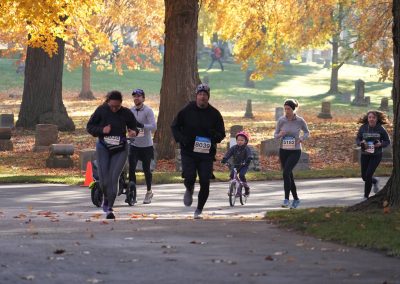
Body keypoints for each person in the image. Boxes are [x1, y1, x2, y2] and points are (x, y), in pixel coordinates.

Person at [171, 83, 225, 219]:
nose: (202, 97)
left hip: (206, 154)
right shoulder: (187, 110)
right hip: (188, 151)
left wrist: (214, 136)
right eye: (200, 94)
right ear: (196, 96)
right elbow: (175, 126)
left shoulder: (214, 114)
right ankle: (189, 188)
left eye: (205, 95)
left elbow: (221, 133)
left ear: (208, 97)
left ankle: (199, 209)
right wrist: (182, 139)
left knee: (205, 181)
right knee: (189, 176)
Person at [87, 90, 139, 219]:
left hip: (120, 148)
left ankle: (109, 208)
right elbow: (90, 127)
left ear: (121, 103)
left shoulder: (126, 113)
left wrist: (133, 132)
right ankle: (105, 199)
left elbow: (135, 127)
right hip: (103, 147)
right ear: (108, 102)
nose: (115, 109)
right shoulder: (101, 110)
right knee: (104, 180)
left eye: (118, 106)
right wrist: (102, 130)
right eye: (112, 106)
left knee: (113, 177)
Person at [274, 99, 310, 209]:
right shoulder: (281, 120)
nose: (286, 111)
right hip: (283, 150)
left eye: (288, 109)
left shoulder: (299, 120)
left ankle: (286, 199)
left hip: (295, 151)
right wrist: (280, 134)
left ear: (293, 109)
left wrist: (301, 138)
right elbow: (275, 135)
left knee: (286, 173)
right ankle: (296, 199)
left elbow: (307, 132)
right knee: (289, 175)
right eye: (285, 109)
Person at [128, 88, 156, 204]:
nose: (136, 98)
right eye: (134, 96)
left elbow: (154, 127)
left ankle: (149, 192)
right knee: (131, 169)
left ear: (143, 98)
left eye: (138, 96)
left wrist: (141, 125)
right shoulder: (131, 111)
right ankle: (132, 193)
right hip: (134, 145)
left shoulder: (148, 111)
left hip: (146, 146)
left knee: (146, 170)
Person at [356, 110, 390, 199]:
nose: (371, 119)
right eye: (370, 117)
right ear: (367, 119)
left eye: (373, 117)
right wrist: (361, 143)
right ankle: (375, 181)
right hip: (365, 154)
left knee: (368, 175)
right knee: (364, 177)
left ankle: (365, 197)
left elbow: (387, 141)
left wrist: (380, 144)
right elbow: (357, 139)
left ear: (377, 119)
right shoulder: (363, 127)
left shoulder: (381, 129)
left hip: (376, 155)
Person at [221, 131, 252, 196]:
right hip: (236, 165)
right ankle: (234, 188)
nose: (239, 141)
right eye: (238, 140)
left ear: (245, 141)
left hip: (244, 165)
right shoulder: (234, 148)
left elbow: (249, 155)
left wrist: (248, 159)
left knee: (241, 175)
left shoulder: (247, 148)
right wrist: (224, 159)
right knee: (232, 175)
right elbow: (228, 154)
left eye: (242, 140)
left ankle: (246, 189)